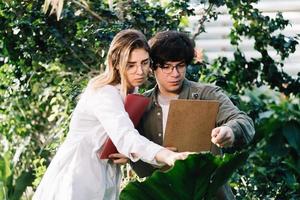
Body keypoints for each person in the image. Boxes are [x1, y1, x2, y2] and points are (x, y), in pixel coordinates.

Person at [32, 29, 190, 200]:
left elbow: (120, 140)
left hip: (104, 175)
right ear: (116, 64)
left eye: (144, 63)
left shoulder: (131, 91)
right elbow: (125, 136)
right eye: (131, 65)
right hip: (78, 177)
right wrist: (168, 156)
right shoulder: (104, 92)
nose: (140, 71)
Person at [130, 30, 255, 199]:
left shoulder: (207, 95)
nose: (175, 74)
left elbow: (243, 121)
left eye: (180, 65)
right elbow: (126, 144)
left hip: (209, 194)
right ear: (152, 67)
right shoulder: (139, 105)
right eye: (166, 67)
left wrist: (230, 130)